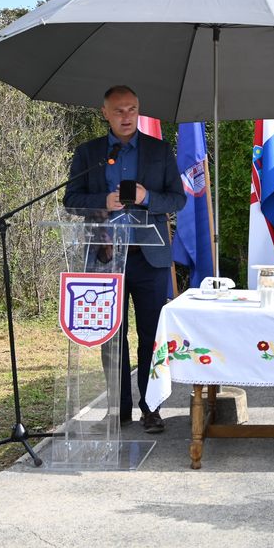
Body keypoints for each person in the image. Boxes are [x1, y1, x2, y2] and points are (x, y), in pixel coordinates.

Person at [63, 85, 186, 434]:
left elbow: (177, 200)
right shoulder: (89, 153)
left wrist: (148, 197)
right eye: (118, 110)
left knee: (151, 334)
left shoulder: (159, 151)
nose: (126, 116)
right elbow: (70, 200)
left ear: (139, 110)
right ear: (104, 113)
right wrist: (104, 200)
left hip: (149, 257)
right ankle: (118, 410)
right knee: (112, 336)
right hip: (105, 256)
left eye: (132, 109)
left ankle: (151, 407)